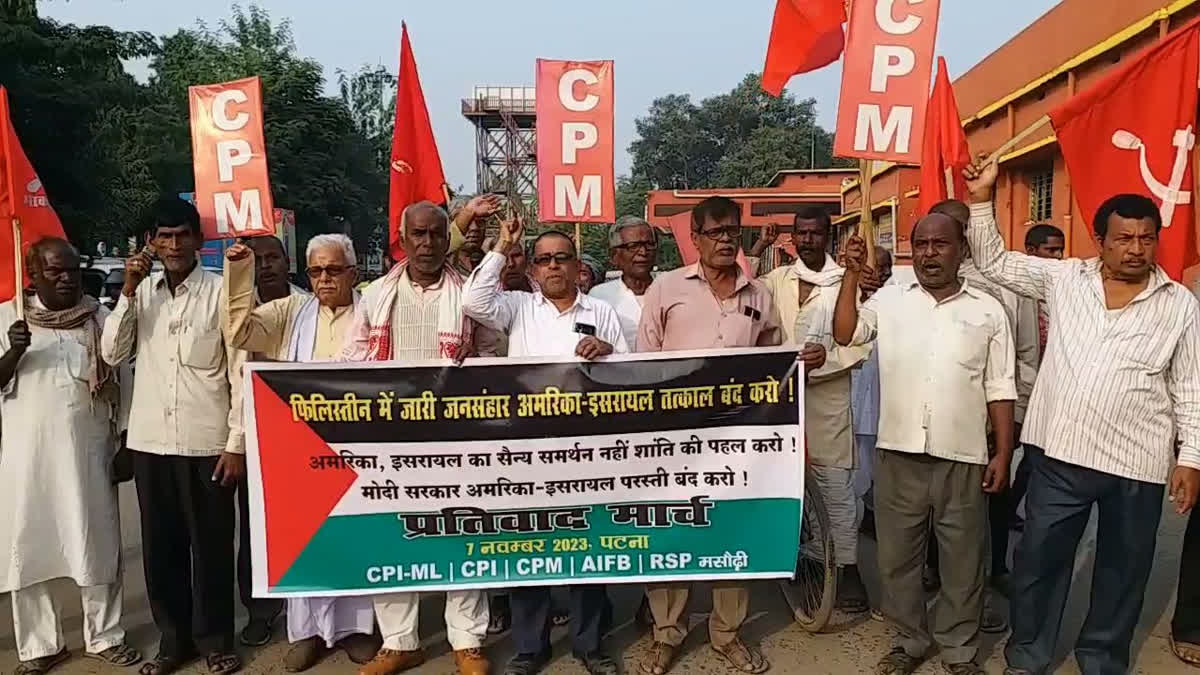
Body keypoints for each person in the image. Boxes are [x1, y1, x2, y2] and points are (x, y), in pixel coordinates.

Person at [962, 160, 1200, 675]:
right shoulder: (1066, 278)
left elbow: (1188, 386)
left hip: (1137, 464)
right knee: (1039, 564)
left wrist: (1191, 459)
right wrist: (982, 198)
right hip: (1059, 457)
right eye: (1123, 238)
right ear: (1099, 239)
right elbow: (996, 262)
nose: (1135, 248)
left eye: (1145, 238)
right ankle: (1028, 657)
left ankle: (1102, 659)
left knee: (1122, 574)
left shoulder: (1179, 303)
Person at [636, 196, 815, 675]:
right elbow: (642, 362)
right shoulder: (666, 288)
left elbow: (774, 357)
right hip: (671, 441)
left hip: (737, 443)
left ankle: (726, 634)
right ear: (693, 237)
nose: (725, 239)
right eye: (714, 231)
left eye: (731, 231)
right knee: (671, 532)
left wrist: (798, 363)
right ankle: (666, 634)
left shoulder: (757, 295)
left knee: (732, 532)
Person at [833, 213, 1016, 675]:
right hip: (899, 452)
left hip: (964, 454)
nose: (930, 254)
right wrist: (852, 275)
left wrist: (1002, 452)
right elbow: (844, 334)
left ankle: (958, 648)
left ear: (963, 250)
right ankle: (909, 639)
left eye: (941, 244)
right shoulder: (891, 301)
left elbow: (1000, 387)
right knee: (897, 558)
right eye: (922, 245)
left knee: (964, 559)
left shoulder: (988, 310)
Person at [463, 216, 625, 675]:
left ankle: (590, 645)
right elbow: (472, 300)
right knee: (528, 545)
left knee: (589, 547)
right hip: (527, 448)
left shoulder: (602, 313)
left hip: (587, 448)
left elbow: (633, 372)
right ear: (533, 270)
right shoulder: (518, 307)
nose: (554, 267)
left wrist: (609, 351)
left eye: (562, 258)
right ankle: (531, 647)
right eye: (544, 260)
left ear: (578, 267)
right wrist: (503, 245)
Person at [342, 202, 489, 675]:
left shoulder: (471, 296)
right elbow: (352, 361)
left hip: (457, 435)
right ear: (403, 239)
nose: (427, 244)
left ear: (450, 239)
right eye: (418, 235)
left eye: (436, 235)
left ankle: (467, 640)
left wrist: (477, 356)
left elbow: (500, 356)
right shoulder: (375, 296)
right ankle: (400, 641)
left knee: (465, 530)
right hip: (392, 438)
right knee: (393, 534)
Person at [101, 196, 246, 675]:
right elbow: (111, 353)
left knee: (211, 548)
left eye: (183, 235)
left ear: (199, 241)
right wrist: (127, 289)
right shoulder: (140, 294)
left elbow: (240, 371)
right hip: (151, 442)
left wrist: (236, 442)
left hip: (208, 444)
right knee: (161, 549)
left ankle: (215, 641)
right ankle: (173, 641)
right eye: (164, 236)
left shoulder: (223, 292)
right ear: (152, 243)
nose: (175, 244)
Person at [224, 234, 380, 672]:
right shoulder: (291, 311)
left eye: (334, 270)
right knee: (304, 539)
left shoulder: (374, 310)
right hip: (299, 445)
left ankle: (354, 630)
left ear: (354, 272)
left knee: (354, 535)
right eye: (316, 271)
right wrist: (239, 270)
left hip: (357, 445)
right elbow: (238, 330)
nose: (324, 279)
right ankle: (310, 631)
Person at [0, 238, 141, 675]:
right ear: (33, 275)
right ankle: (41, 645)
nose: (65, 280)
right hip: (28, 459)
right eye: (55, 272)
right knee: (30, 545)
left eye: (72, 272)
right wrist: (15, 349)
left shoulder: (97, 318)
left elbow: (124, 379)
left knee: (96, 542)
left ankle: (105, 636)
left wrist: (126, 442)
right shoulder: (9, 316)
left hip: (90, 451)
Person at [759, 206, 872, 613]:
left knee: (835, 487)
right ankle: (799, 558)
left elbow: (861, 341)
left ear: (829, 237)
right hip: (778, 401)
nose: (807, 240)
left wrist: (829, 359)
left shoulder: (848, 283)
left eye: (815, 234)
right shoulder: (774, 281)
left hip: (828, 400)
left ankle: (848, 568)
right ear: (792, 237)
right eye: (801, 233)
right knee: (786, 484)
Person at [929, 199, 1040, 599]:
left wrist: (1013, 422)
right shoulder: (927, 285)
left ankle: (996, 568)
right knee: (939, 502)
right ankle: (935, 569)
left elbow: (1027, 356)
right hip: (945, 419)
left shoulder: (1011, 286)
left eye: (964, 228)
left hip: (997, 418)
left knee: (995, 499)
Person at [234, 235, 296, 648]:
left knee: (308, 526)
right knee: (257, 529)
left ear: (288, 261)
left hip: (304, 437)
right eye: (257, 260)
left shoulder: (310, 305)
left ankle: (310, 611)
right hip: (254, 436)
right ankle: (260, 610)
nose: (267, 265)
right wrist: (235, 440)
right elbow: (230, 378)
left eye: (273, 257)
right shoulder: (237, 311)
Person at [1008, 223, 1065, 532]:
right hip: (1021, 393)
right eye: (1050, 250)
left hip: (1051, 393)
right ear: (1031, 252)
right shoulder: (1018, 289)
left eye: (1060, 251)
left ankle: (1018, 514)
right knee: (1017, 460)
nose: (1057, 257)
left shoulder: (1064, 291)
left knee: (1036, 462)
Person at [850, 246, 892, 537]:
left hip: (883, 403)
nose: (881, 274)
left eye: (886, 268)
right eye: (875, 268)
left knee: (880, 470)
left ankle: (874, 516)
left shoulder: (897, 301)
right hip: (850, 402)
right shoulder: (842, 299)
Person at [589, 215, 657, 350]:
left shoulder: (670, 290)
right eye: (633, 246)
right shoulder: (599, 296)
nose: (643, 252)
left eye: (649, 245)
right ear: (614, 256)